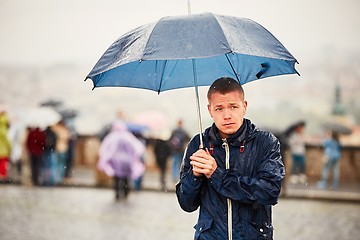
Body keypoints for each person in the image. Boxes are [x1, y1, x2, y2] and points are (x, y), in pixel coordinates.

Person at [176, 77, 284, 240]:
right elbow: (186, 204)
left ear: (244, 107)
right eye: (219, 109)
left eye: (233, 106)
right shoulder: (198, 144)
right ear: (210, 110)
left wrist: (216, 174)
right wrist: (195, 176)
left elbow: (270, 192)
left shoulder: (265, 142)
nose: (227, 115)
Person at [97, 120, 145, 200]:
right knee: (126, 178)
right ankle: (126, 193)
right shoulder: (128, 136)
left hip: (115, 161)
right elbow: (137, 148)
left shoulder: (111, 137)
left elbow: (104, 149)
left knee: (117, 178)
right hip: (127, 161)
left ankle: (117, 193)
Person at [52, 120, 71, 184]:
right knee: (61, 164)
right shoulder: (64, 130)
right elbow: (68, 137)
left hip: (56, 148)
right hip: (63, 148)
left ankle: (54, 177)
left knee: (55, 164)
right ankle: (59, 178)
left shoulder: (54, 129)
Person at [0, 110, 11, 182]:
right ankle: (2, 178)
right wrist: (10, 148)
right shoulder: (4, 129)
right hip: (3, 151)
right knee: (3, 165)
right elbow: (7, 141)